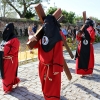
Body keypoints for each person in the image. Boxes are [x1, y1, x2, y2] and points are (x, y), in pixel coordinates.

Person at [29, 15, 64, 100]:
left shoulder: (58, 35)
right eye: (45, 23)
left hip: (52, 67)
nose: (46, 25)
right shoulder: (41, 33)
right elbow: (36, 45)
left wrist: (57, 68)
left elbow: (59, 53)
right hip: (42, 65)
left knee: (52, 87)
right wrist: (31, 38)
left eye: (48, 23)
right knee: (44, 84)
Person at [0, 23, 20, 94]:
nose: (6, 29)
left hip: (10, 60)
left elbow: (14, 50)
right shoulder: (6, 38)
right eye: (5, 28)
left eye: (8, 28)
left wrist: (4, 48)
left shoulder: (15, 39)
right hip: (4, 60)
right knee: (6, 74)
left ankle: (7, 89)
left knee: (7, 75)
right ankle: (14, 82)